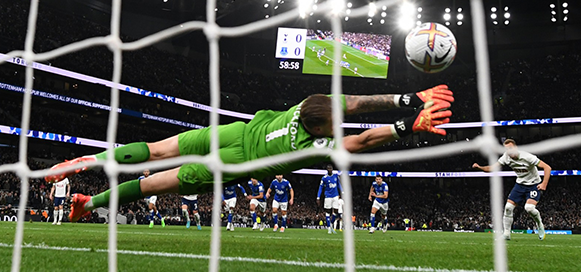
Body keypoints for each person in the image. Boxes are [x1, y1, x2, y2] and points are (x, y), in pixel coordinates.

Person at [50, 86, 453, 223]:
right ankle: (91, 203)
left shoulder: (304, 106)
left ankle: (85, 161)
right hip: (235, 162)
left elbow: (353, 103)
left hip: (232, 132)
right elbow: (361, 141)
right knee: (159, 181)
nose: (339, 121)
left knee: (157, 150)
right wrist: (407, 124)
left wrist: (407, 98)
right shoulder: (307, 146)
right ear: (320, 129)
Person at [472, 138, 551, 241]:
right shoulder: (506, 157)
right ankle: (506, 234)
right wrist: (480, 168)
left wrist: (544, 184)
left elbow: (547, 168)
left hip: (533, 184)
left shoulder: (527, 157)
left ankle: (540, 225)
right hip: (520, 185)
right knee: (508, 207)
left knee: (529, 208)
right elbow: (493, 168)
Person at [317, 164, 343, 234]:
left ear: (332, 169)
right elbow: (320, 188)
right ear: (327, 170)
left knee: (336, 211)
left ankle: (330, 224)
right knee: (328, 212)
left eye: (330, 168)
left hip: (335, 195)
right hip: (328, 196)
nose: (329, 169)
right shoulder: (324, 178)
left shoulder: (336, 176)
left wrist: (342, 191)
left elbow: (339, 184)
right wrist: (318, 197)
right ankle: (329, 228)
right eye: (328, 168)